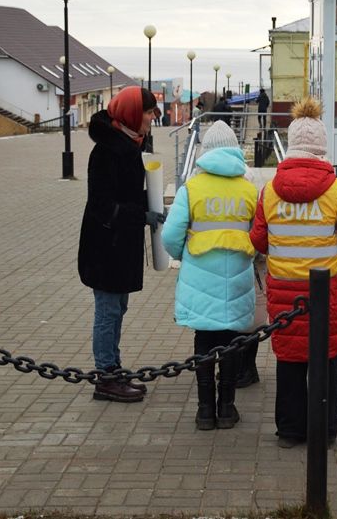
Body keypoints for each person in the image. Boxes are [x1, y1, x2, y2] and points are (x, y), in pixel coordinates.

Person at [250, 98, 337, 448]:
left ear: (292, 146)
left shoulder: (269, 191)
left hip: (284, 293)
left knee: (288, 362)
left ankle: (289, 431)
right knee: (327, 363)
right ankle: (325, 432)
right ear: (321, 147)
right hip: (327, 293)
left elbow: (258, 239)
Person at [162, 121, 258, 430]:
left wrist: (184, 256)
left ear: (205, 152)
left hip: (199, 277)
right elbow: (259, 235)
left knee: (203, 339)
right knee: (231, 341)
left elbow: (170, 236)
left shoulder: (192, 188)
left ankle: (205, 411)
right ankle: (227, 409)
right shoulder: (248, 189)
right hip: (239, 277)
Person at [78, 86, 164, 403]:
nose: (154, 117)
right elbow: (103, 205)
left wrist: (151, 203)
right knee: (108, 311)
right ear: (131, 113)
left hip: (119, 244)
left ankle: (113, 367)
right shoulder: (106, 152)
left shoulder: (130, 143)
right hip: (105, 246)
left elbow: (126, 196)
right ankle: (106, 376)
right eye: (149, 111)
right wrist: (142, 213)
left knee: (118, 308)